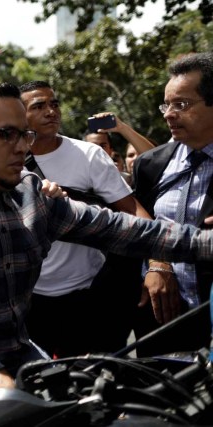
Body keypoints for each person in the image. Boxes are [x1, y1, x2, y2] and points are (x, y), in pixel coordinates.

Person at [0, 83, 213, 427]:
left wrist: (205, 243)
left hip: (20, 366)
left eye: (24, 135)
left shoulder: (32, 194)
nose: (23, 147)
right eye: (7, 135)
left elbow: (122, 229)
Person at [19, 81, 150, 356]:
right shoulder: (7, 160)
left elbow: (131, 210)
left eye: (54, 104)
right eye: (39, 106)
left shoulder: (88, 155)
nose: (51, 111)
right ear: (20, 116)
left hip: (88, 293)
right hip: (28, 299)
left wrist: (159, 264)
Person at [133, 52, 213, 356]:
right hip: (160, 321)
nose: (168, 114)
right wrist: (156, 263)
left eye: (181, 105)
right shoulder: (150, 165)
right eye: (166, 105)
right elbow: (139, 226)